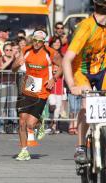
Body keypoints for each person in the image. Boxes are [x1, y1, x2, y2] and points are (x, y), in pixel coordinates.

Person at [62, 0, 106, 164]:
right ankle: (81, 147)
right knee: (86, 106)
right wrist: (72, 85)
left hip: (102, 70)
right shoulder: (86, 27)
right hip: (82, 71)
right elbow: (67, 60)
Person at [12, 29, 62, 161]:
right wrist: (16, 65)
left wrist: (53, 79)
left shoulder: (50, 53)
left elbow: (62, 66)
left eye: (40, 41)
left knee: (30, 124)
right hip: (28, 88)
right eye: (35, 40)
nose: (37, 43)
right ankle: (23, 151)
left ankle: (39, 123)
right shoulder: (26, 50)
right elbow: (13, 68)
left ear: (44, 42)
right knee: (22, 121)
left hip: (42, 90)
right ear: (32, 39)